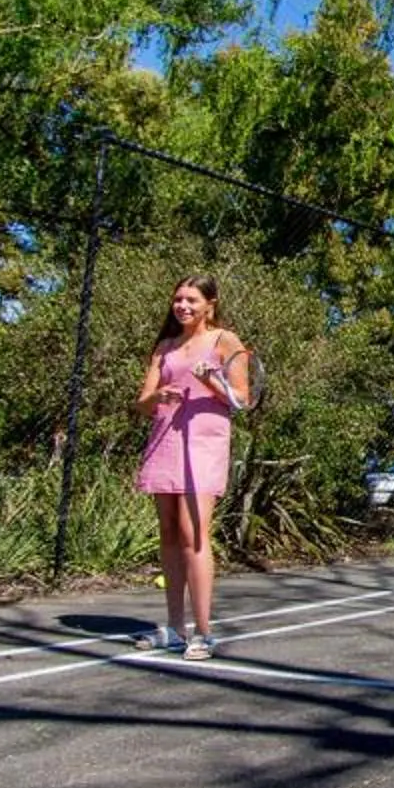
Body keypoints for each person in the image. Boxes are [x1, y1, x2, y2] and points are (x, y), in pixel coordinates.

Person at [134, 275, 253, 658]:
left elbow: (242, 401)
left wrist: (213, 381)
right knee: (168, 532)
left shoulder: (226, 341)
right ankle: (173, 627)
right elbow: (141, 404)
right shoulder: (165, 346)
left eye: (192, 299)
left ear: (210, 304)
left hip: (203, 443)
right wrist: (157, 396)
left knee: (194, 533)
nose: (183, 306)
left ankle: (203, 632)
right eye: (178, 299)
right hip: (165, 440)